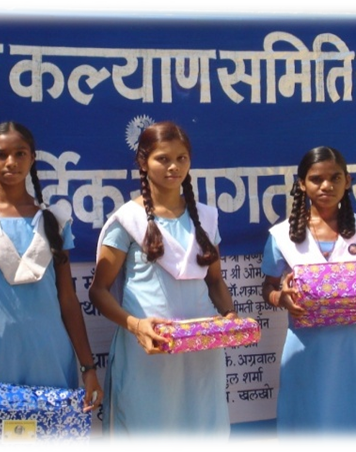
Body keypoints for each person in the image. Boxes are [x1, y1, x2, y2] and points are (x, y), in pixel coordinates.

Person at [0, 123, 102, 430]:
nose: (11, 162)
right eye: (1, 154)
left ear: (32, 158)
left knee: (48, 440)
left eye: (20, 154)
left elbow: (68, 299)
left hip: (49, 354)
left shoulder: (55, 221)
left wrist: (88, 367)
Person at [88, 121, 234, 448]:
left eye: (181, 158)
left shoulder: (206, 218)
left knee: (201, 436)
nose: (173, 167)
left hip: (201, 351)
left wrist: (230, 318)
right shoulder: (127, 220)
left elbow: (215, 281)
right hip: (147, 350)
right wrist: (136, 325)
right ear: (143, 162)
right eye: (163, 159)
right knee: (146, 433)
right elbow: (98, 290)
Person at [262, 146, 356, 448]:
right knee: (310, 427)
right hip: (307, 350)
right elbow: (268, 287)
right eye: (316, 179)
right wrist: (280, 298)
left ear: (347, 181)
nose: (326, 185)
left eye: (335, 177)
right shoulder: (282, 235)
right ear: (301, 184)